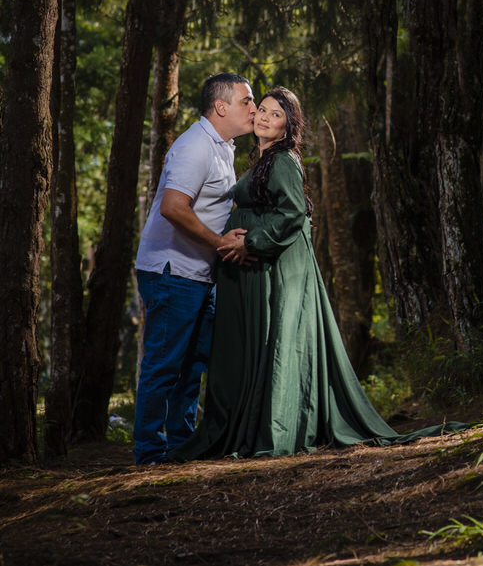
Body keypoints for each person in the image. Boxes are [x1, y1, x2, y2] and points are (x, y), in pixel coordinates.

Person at [168, 87, 402, 460]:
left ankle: (274, 426)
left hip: (270, 265)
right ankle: (241, 423)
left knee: (274, 342)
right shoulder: (260, 159)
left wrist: (251, 242)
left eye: (276, 115)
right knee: (250, 346)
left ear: (288, 126)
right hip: (251, 270)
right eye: (261, 109)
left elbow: (294, 215)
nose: (263, 117)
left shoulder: (282, 161)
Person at [133, 72, 257, 465]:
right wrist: (221, 242)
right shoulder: (194, 146)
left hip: (199, 274)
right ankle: (149, 454)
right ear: (221, 107)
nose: (254, 109)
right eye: (246, 102)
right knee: (165, 364)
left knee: (191, 367)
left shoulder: (224, 146)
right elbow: (173, 207)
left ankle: (179, 447)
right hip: (172, 271)